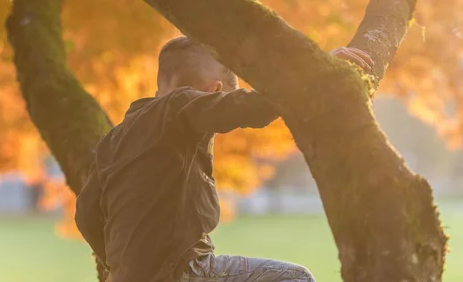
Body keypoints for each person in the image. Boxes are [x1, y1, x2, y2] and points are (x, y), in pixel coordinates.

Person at [75, 36, 374, 282]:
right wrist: (317, 71)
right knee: (295, 279)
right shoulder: (181, 105)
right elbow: (251, 107)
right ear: (214, 92)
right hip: (183, 273)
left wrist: (122, 265)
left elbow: (86, 215)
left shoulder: (113, 140)